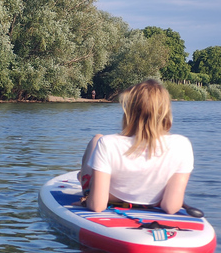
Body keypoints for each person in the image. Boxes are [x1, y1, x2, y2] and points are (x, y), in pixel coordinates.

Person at [78, 79, 193, 214]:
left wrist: (88, 201)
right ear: (165, 113)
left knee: (96, 139)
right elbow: (171, 207)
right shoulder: (182, 145)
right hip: (153, 204)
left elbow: (97, 206)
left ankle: (82, 179)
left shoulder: (107, 143)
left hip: (111, 197)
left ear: (129, 112)